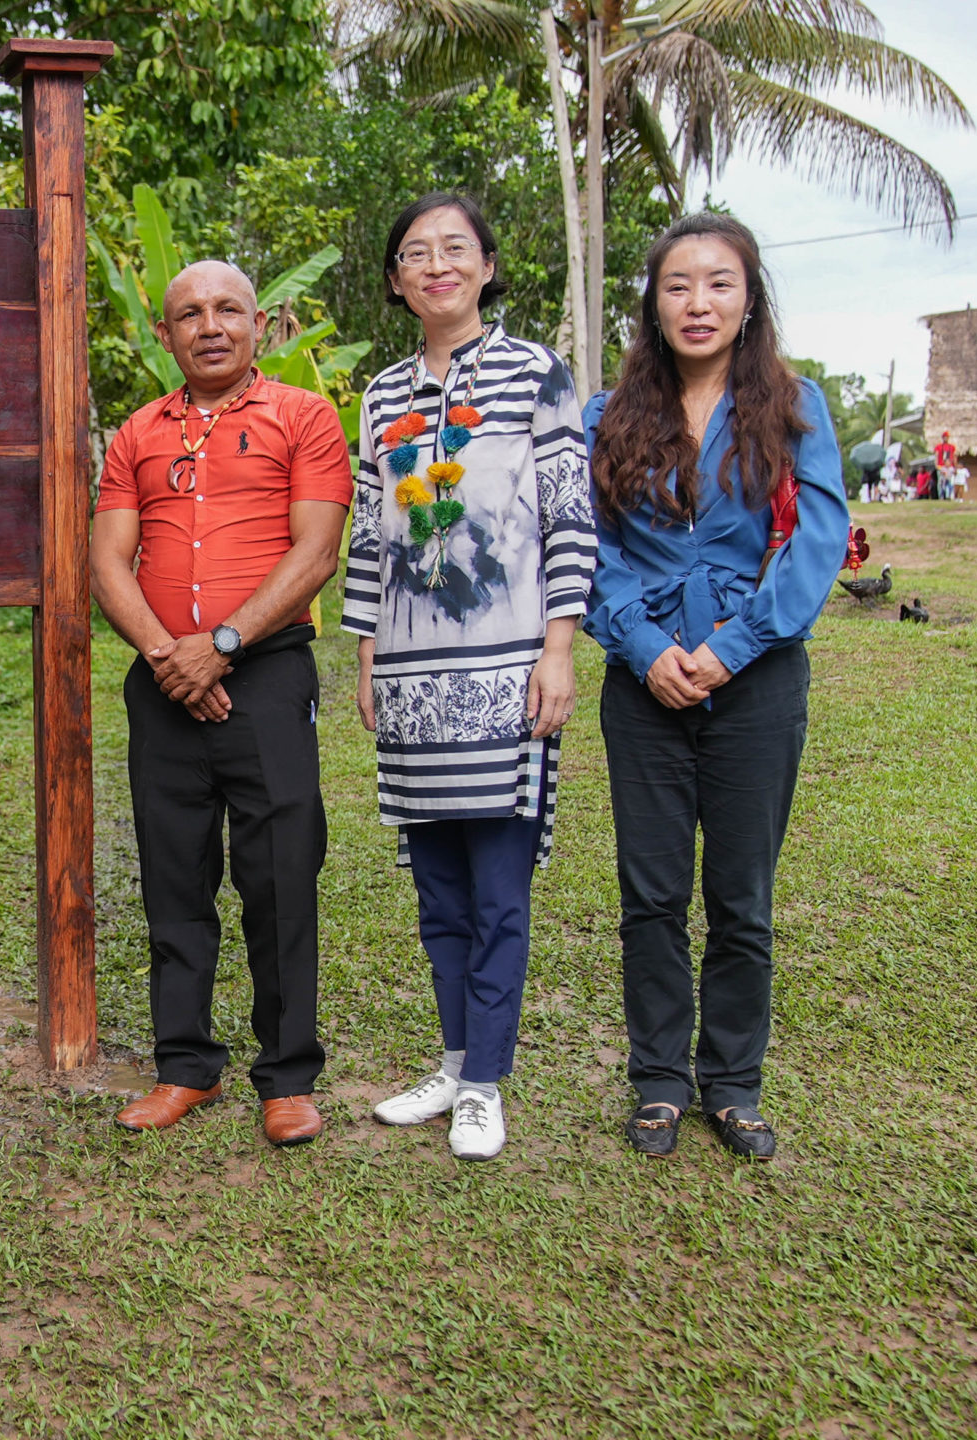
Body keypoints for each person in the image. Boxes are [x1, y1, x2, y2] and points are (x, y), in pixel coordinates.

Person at [581, 213, 845, 1160]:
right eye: (679, 285)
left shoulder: (797, 407)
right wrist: (647, 647)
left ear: (749, 299)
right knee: (650, 895)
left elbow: (815, 550)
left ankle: (732, 1082)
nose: (699, 302)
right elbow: (593, 554)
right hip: (640, 687)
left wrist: (731, 649)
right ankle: (657, 1080)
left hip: (758, 685)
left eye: (720, 283)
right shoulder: (605, 419)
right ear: (652, 304)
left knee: (742, 896)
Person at [341, 193, 594, 1162]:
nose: (435, 264)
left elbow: (570, 518)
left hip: (506, 675)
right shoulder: (379, 396)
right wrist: (365, 649)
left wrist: (559, 647)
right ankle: (452, 1062)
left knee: (498, 890)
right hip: (409, 679)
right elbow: (370, 538)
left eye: (454, 249)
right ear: (398, 280)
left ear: (487, 266)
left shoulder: (537, 374)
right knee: (438, 893)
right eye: (415, 252)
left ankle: (486, 1082)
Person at [90, 260, 352, 1148]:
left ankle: (286, 1077)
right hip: (164, 682)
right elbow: (106, 564)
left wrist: (224, 646)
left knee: (280, 874)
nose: (209, 326)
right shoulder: (134, 434)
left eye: (227, 310)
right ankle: (184, 1066)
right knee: (174, 876)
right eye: (189, 314)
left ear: (260, 325)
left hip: (267, 676)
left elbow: (317, 552)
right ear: (163, 336)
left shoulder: (304, 419)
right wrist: (172, 659)